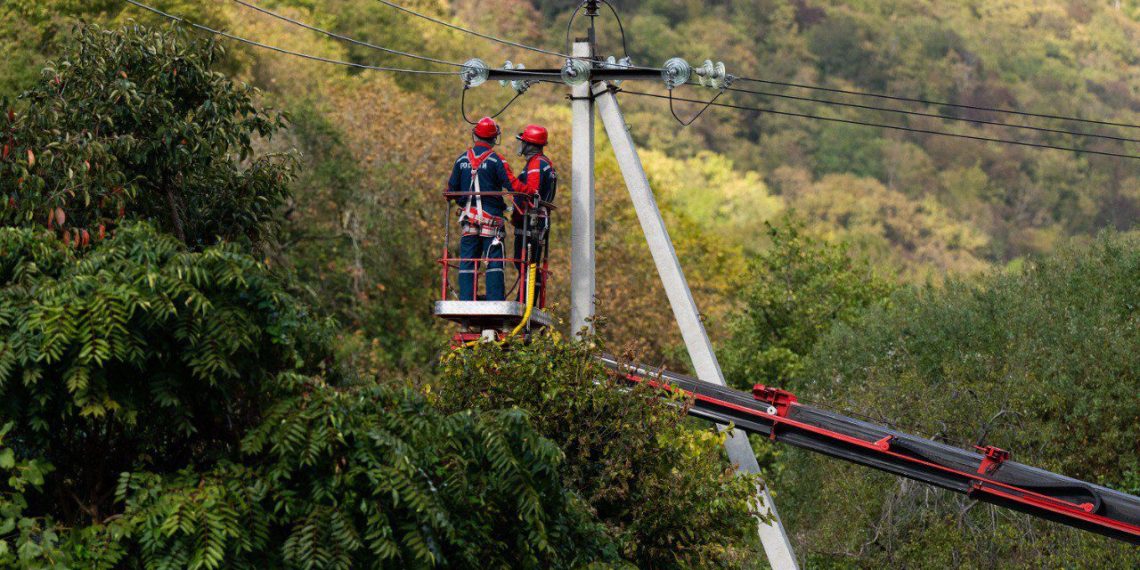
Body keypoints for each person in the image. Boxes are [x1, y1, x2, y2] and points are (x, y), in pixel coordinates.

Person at [446, 117, 514, 301]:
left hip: (469, 220)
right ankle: (495, 300)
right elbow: (511, 185)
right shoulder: (496, 160)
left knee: (467, 261)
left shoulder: (461, 160)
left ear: (475, 135)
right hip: (491, 221)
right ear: (494, 138)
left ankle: (467, 300)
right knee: (494, 262)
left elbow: (450, 190)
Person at [506, 124, 557, 303]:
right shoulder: (545, 163)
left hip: (531, 221)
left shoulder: (536, 164)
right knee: (529, 264)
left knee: (526, 263)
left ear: (529, 144)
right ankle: (525, 300)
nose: (520, 145)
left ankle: (524, 303)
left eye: (523, 142)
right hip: (537, 220)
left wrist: (510, 180)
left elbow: (531, 192)